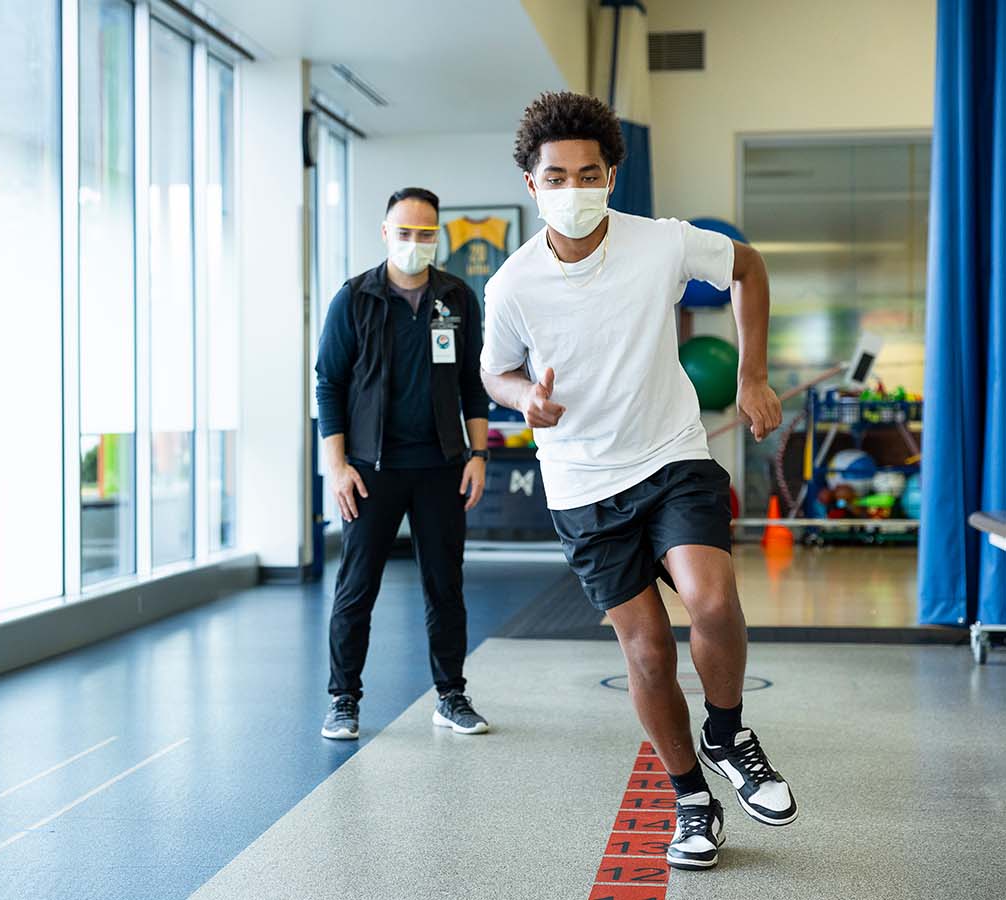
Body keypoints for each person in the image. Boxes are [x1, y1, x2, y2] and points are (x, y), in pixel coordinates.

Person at [479, 92, 797, 870]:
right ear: (532, 184)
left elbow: (746, 267)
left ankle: (727, 734)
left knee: (714, 600)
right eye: (557, 176)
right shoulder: (512, 285)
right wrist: (529, 401)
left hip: (671, 453)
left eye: (590, 173)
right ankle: (692, 798)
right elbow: (496, 371)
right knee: (649, 652)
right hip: (582, 484)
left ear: (612, 175)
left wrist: (752, 374)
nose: (575, 189)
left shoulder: (659, 243)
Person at [314, 187, 492, 741]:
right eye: (405, 232)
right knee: (357, 586)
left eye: (425, 233)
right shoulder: (354, 299)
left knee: (445, 585)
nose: (415, 243)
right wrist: (338, 468)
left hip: (441, 465)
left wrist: (479, 454)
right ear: (385, 233)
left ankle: (451, 695)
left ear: (437, 235)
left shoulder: (457, 299)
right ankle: (344, 700)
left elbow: (471, 385)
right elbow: (329, 384)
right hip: (371, 470)